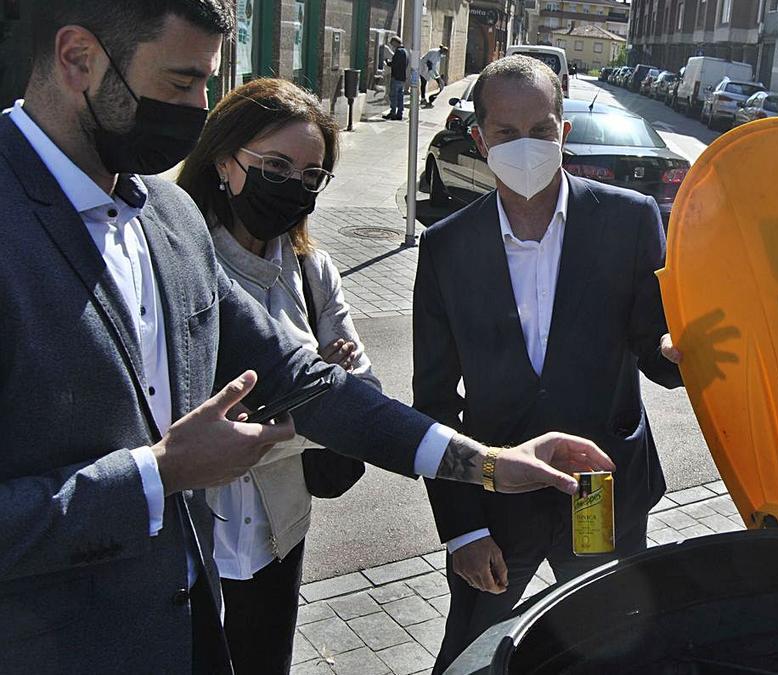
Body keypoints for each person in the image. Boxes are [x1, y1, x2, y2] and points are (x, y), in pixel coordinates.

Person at [0, 3, 612, 672]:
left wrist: (492, 462)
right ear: (76, 57)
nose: (201, 110)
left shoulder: (167, 217)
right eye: (180, 84)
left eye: (208, 82)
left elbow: (312, 382)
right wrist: (160, 472)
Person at [412, 55, 684, 673]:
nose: (526, 145)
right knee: (471, 656)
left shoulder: (630, 220)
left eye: (541, 129)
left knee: (611, 648)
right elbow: (432, 400)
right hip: (497, 494)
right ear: (480, 140)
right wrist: (461, 529)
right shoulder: (447, 246)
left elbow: (654, 348)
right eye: (507, 133)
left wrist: (676, 353)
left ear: (563, 130)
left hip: (600, 488)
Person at [175, 77, 379, 673]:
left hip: (276, 537)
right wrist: (315, 393)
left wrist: (259, 427)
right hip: (187, 543)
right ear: (223, 160)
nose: (293, 186)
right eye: (274, 165)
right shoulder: (175, 261)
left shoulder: (313, 272)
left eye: (310, 175)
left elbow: (362, 399)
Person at [385, 35, 408, 120]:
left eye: (392, 44)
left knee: (393, 96)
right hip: (402, 78)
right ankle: (399, 113)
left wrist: (388, 62)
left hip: (396, 77)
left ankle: (393, 113)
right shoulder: (405, 51)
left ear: (395, 42)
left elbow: (394, 64)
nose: (392, 46)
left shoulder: (398, 52)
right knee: (400, 96)